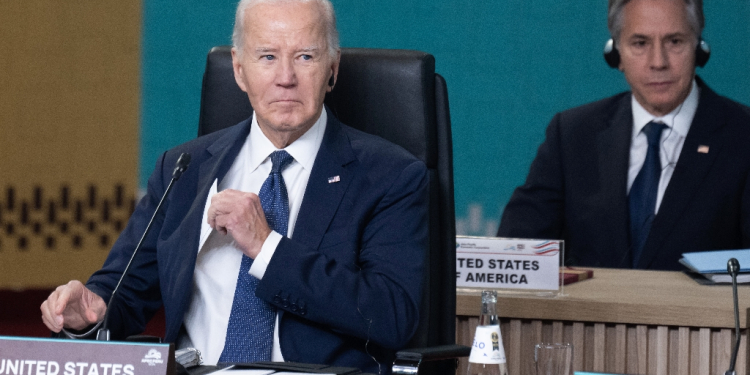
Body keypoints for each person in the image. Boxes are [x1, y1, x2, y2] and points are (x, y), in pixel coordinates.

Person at [40, 0, 428, 373]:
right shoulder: (183, 168)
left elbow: (391, 314)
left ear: (333, 69)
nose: (286, 78)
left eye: (305, 56)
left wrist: (266, 246)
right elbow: (122, 293)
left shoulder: (390, 176)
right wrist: (88, 312)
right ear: (239, 70)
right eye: (267, 57)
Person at [498, 0, 750, 270]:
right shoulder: (573, 134)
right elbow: (514, 254)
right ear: (615, 54)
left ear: (699, 49)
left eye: (674, 41)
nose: (658, 62)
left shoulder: (743, 136)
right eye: (640, 43)